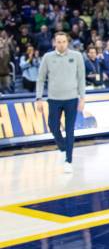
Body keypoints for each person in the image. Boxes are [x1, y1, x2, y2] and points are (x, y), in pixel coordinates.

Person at [35, 32, 86, 173]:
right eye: (59, 41)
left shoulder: (77, 56)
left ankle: (68, 160)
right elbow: (40, 79)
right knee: (53, 126)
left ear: (67, 42)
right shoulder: (47, 57)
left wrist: (82, 98)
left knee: (70, 130)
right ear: (54, 43)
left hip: (71, 99)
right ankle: (63, 148)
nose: (61, 44)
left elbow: (81, 78)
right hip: (54, 99)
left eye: (64, 41)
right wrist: (38, 98)